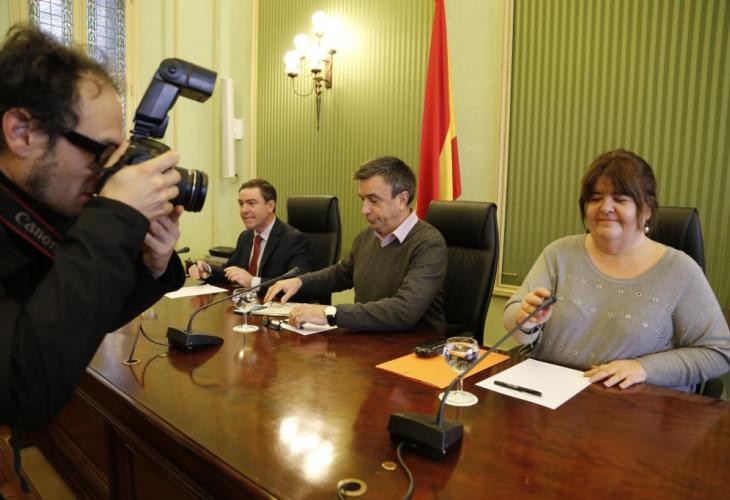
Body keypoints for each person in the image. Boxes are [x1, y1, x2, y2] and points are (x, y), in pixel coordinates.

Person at [0, 26, 186, 430]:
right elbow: (23, 389)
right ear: (22, 132)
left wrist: (149, 267)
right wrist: (114, 215)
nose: (107, 173)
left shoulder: (35, 208)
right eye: (102, 153)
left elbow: (69, 324)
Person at [503, 149, 730, 392]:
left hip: (632, 403)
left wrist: (643, 368)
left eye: (620, 199)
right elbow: (513, 319)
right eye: (595, 198)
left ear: (647, 209)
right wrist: (524, 320)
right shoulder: (558, 253)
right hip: (549, 392)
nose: (605, 208)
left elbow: (718, 352)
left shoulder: (681, 271)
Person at [264, 156, 447, 335]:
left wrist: (329, 313)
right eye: (362, 199)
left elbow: (404, 310)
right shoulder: (368, 235)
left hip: (411, 347)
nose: (364, 210)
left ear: (402, 200)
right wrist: (300, 282)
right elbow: (341, 274)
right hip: (366, 340)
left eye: (374, 200)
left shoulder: (429, 243)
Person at [187, 178, 311, 294]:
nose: (244, 210)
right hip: (246, 304)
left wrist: (251, 281)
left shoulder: (293, 239)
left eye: (251, 203)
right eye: (241, 204)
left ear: (270, 206)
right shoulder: (245, 236)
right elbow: (230, 271)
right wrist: (207, 269)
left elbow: (298, 285)